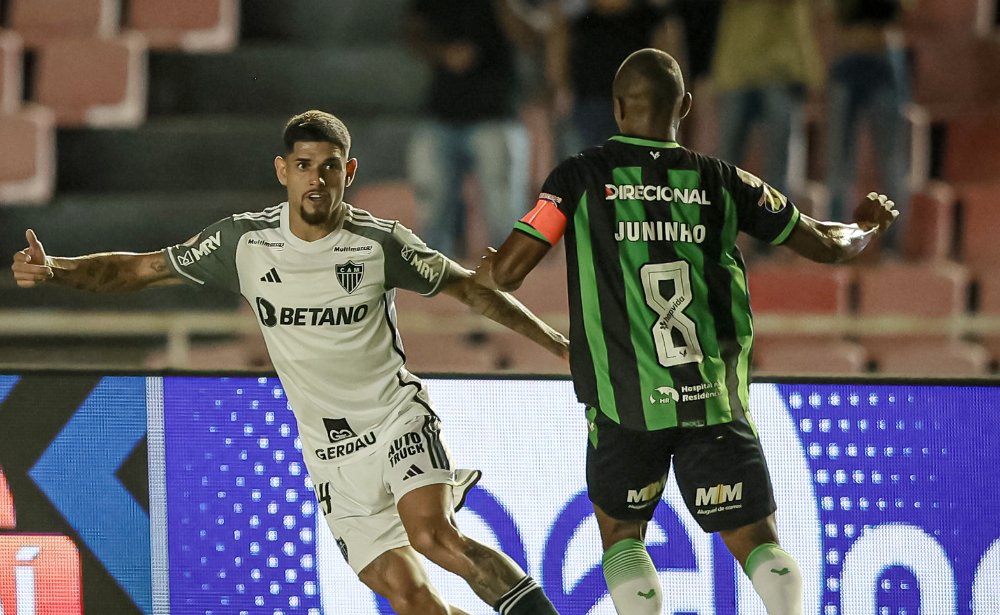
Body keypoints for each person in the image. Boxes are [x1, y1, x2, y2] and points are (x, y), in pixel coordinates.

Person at [11, 110, 567, 615]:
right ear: (283, 170)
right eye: (304, 165)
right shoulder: (244, 244)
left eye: (329, 167)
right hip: (330, 457)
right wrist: (57, 269)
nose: (317, 179)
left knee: (434, 537)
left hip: (395, 419)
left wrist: (560, 346)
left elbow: (471, 291)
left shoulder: (378, 244)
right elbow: (140, 270)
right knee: (409, 595)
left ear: (349, 171)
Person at [474, 49, 897, 615]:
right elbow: (824, 243)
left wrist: (491, 265)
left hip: (624, 401)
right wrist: (866, 226)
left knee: (623, 538)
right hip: (711, 402)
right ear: (687, 108)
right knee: (758, 544)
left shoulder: (578, 177)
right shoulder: (725, 181)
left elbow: (507, 273)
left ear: (620, 108)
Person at [404, 0, 535, 259]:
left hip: (496, 113)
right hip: (442, 111)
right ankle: (440, 282)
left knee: (504, 212)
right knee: (435, 208)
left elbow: (528, 38)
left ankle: (508, 279)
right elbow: (411, 31)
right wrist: (442, 53)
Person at [824, 0, 915, 255]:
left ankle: (891, 246)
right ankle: (837, 243)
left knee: (891, 159)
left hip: (882, 53)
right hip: (847, 54)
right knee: (839, 159)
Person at [710, 0, 823, 199]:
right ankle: (718, 223)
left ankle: (774, 226)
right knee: (725, 167)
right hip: (737, 70)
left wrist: (811, 71)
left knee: (779, 172)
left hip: (781, 71)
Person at [545, 0, 674, 153]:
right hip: (586, 113)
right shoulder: (575, 18)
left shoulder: (652, 18)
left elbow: (670, 74)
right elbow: (556, 71)